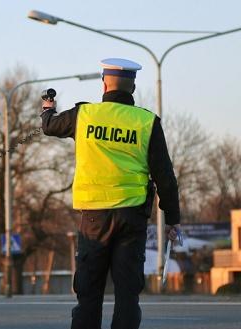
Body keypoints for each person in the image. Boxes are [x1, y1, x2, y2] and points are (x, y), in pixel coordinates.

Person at [40, 58, 181, 329]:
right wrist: (173, 218)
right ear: (133, 87)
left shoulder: (84, 115)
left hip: (94, 219)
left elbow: (50, 126)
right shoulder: (146, 122)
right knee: (127, 295)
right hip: (132, 218)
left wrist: (47, 108)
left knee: (89, 292)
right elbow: (165, 176)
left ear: (104, 84)